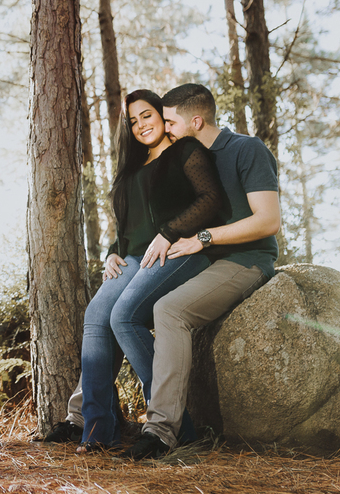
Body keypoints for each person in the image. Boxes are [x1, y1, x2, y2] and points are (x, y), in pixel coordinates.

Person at [57, 89, 224, 453]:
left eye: (146, 115)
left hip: (181, 250)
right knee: (96, 316)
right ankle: (98, 429)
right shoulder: (130, 169)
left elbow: (211, 200)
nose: (140, 125)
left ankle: (174, 426)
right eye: (132, 121)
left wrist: (170, 233)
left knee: (124, 317)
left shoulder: (186, 151)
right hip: (135, 259)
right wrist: (112, 254)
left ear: (162, 116)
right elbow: (126, 227)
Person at [120, 83, 280, 460]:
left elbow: (268, 221)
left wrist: (204, 237)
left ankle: (161, 432)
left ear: (195, 120)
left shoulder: (246, 149)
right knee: (121, 306)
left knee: (169, 310)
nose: (164, 128)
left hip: (244, 260)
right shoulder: (184, 159)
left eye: (170, 121)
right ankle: (87, 415)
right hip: (202, 258)